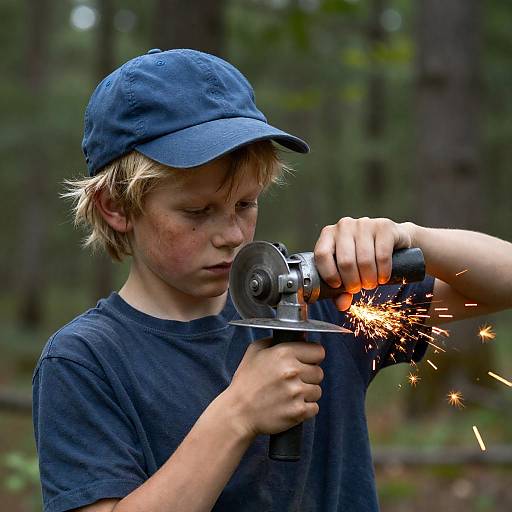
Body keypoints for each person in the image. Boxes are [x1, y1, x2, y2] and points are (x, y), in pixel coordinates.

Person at [32, 49, 512, 512]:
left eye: (246, 204)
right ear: (115, 207)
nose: (233, 235)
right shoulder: (84, 362)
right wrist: (237, 415)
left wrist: (413, 238)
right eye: (197, 211)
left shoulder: (317, 305)